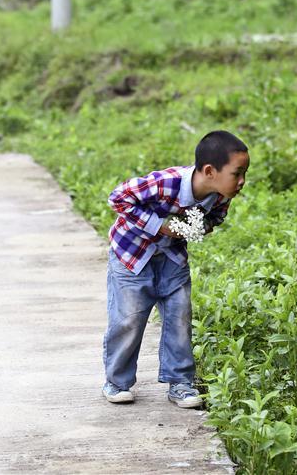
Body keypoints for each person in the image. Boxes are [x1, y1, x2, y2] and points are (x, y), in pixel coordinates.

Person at [103, 130, 249, 408]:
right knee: (129, 320)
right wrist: (161, 226)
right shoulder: (164, 183)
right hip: (132, 256)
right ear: (209, 171)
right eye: (237, 173)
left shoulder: (220, 195)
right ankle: (117, 381)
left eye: (244, 174)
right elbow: (117, 198)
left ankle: (180, 382)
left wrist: (196, 229)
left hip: (172, 259)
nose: (242, 182)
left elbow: (215, 218)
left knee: (180, 318)